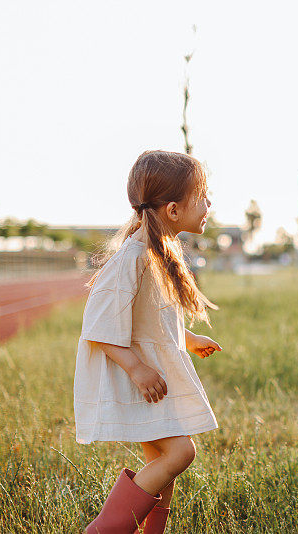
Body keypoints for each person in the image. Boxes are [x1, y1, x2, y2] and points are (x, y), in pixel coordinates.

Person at [75, 150, 223, 533]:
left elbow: (152, 321)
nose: (209, 204)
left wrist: (186, 338)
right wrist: (137, 369)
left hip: (155, 377)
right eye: (202, 196)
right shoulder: (132, 257)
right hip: (146, 382)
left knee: (163, 462)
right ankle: (104, 529)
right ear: (173, 210)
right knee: (180, 452)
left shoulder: (157, 252)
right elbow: (99, 326)